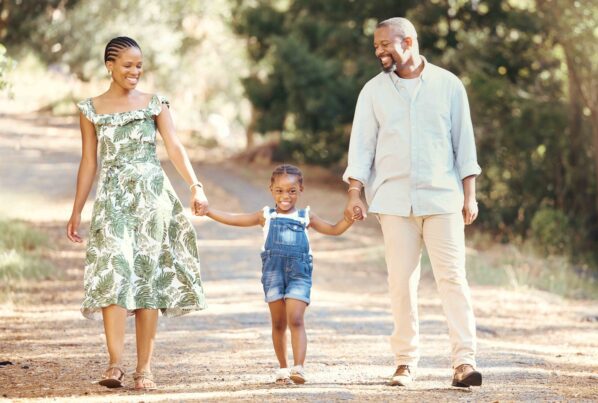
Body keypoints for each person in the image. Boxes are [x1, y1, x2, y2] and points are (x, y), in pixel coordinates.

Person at [343, 17, 483, 388]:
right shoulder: (372, 92)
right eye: (376, 46)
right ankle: (405, 361)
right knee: (401, 283)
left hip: (442, 199)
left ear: (408, 41)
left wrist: (470, 196)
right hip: (393, 201)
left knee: (453, 279)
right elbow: (361, 148)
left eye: (385, 44)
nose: (379, 51)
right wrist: (355, 192)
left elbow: (463, 145)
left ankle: (464, 363)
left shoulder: (449, 85)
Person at [66, 36, 209, 390]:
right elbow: (89, 162)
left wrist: (195, 185)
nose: (135, 72)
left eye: (139, 65)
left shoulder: (154, 104)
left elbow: (174, 147)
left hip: (151, 199)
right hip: (112, 200)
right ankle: (114, 364)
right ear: (109, 66)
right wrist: (76, 210)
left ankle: (144, 368)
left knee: (147, 277)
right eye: (127, 65)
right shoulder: (91, 108)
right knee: (112, 271)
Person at [207, 164, 354, 385]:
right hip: (273, 275)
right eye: (280, 191)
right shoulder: (266, 215)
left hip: (299, 275)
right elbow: (236, 218)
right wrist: (208, 211)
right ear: (271, 190)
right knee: (278, 323)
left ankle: (299, 368)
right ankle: (283, 368)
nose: (286, 196)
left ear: (300, 189)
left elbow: (334, 229)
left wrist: (349, 219)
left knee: (295, 319)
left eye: (292, 191)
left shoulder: (306, 217)